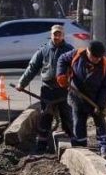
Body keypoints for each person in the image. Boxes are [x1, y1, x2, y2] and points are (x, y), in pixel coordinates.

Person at [15, 24, 73, 154]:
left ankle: (72, 143)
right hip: (47, 90)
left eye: (59, 34)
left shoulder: (70, 50)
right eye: (54, 34)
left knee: (67, 116)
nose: (57, 36)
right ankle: (41, 145)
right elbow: (32, 67)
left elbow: (76, 69)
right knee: (45, 117)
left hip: (64, 90)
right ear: (51, 35)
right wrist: (22, 83)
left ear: (63, 35)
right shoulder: (44, 50)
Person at [56, 41, 106, 158]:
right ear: (88, 52)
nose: (97, 60)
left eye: (99, 58)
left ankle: (105, 149)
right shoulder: (77, 54)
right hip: (77, 96)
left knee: (100, 123)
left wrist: (101, 104)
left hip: (96, 99)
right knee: (78, 123)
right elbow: (62, 59)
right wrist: (61, 75)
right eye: (94, 57)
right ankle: (81, 148)